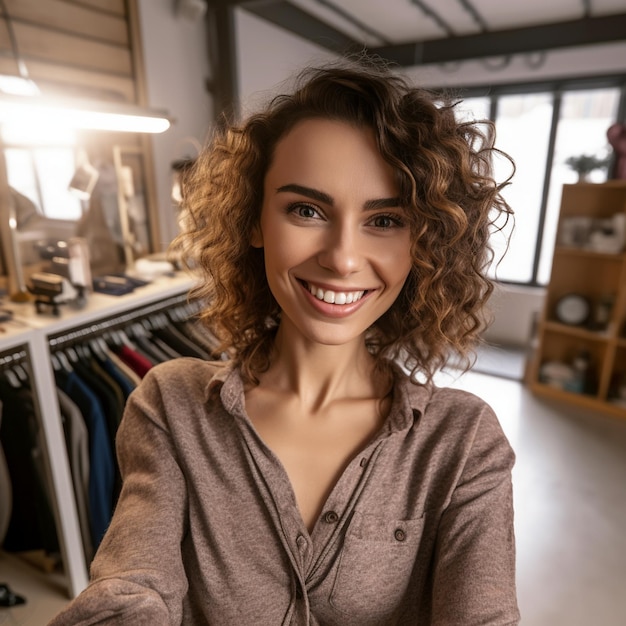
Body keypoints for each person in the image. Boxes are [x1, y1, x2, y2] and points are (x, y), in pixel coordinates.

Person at [49, 57, 519, 625]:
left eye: (385, 220)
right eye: (306, 210)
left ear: (424, 242)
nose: (342, 257)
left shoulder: (462, 442)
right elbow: (131, 591)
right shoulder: (171, 406)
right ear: (254, 221)